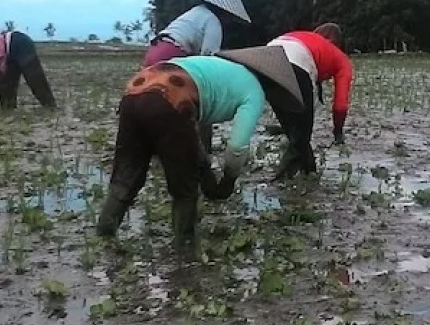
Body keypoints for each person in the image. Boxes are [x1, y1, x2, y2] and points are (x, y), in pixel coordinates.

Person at [97, 46, 303, 245]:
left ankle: (104, 236)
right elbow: (237, 147)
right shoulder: (255, 91)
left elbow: (191, 134)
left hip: (137, 88)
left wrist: (208, 179)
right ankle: (184, 249)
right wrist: (229, 179)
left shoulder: (219, 67)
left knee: (126, 174)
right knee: (185, 188)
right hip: (172, 98)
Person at [268, 22, 354, 178]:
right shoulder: (340, 57)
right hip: (297, 62)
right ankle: (279, 179)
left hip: (265, 58)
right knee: (302, 133)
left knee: (295, 132)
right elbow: (340, 106)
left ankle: (309, 172)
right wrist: (338, 132)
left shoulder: (304, 36)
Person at [143, 0, 251, 66]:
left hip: (155, 50)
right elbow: (208, 57)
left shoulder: (196, 11)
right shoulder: (212, 20)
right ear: (224, 10)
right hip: (171, 55)